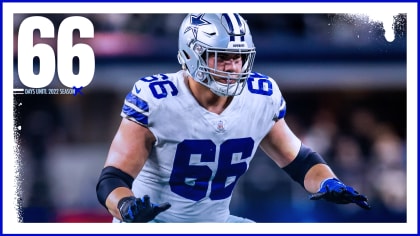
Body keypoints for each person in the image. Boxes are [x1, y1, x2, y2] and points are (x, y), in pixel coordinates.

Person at [96, 13, 370, 223]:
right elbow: (112, 180)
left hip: (217, 223)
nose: (233, 66)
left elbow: (301, 162)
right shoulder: (156, 99)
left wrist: (328, 182)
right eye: (222, 57)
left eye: (238, 57)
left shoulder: (260, 96)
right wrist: (127, 206)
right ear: (190, 55)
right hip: (154, 223)